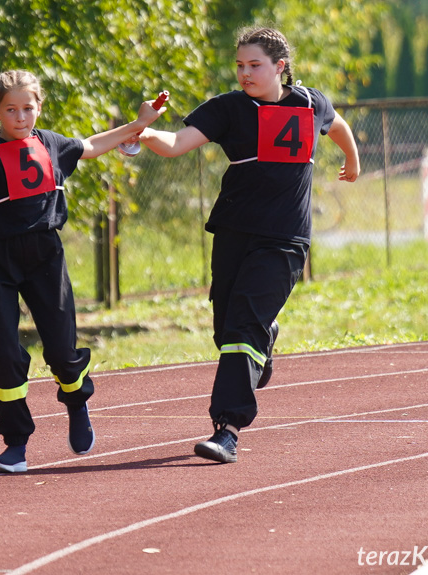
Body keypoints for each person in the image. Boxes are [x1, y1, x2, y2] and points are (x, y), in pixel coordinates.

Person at [136, 26, 360, 463]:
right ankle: (266, 339)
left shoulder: (311, 103)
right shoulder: (228, 109)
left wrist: (351, 160)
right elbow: (178, 144)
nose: (244, 73)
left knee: (242, 328)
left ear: (280, 67)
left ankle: (228, 429)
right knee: (227, 330)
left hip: (285, 239)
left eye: (254, 65)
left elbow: (338, 124)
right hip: (235, 232)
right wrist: (144, 132)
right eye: (239, 65)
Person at [0, 70, 165, 473]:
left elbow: (90, 146)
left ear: (39, 107)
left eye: (28, 108)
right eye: (11, 110)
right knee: (3, 353)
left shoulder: (50, 143)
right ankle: (16, 445)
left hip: (44, 257)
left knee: (61, 350)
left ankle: (76, 401)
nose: (20, 117)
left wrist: (139, 124)